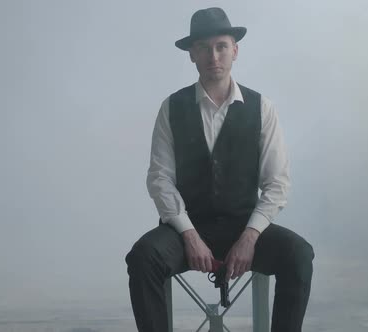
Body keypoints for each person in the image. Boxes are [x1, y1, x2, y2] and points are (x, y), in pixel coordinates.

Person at [126, 7, 314, 332]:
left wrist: (250, 236)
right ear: (192, 55)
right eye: (203, 47)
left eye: (221, 46)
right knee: (143, 258)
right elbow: (160, 179)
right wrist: (189, 235)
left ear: (235, 50)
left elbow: (277, 183)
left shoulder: (262, 109)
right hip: (186, 228)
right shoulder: (171, 108)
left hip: (244, 227)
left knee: (298, 255)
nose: (213, 55)